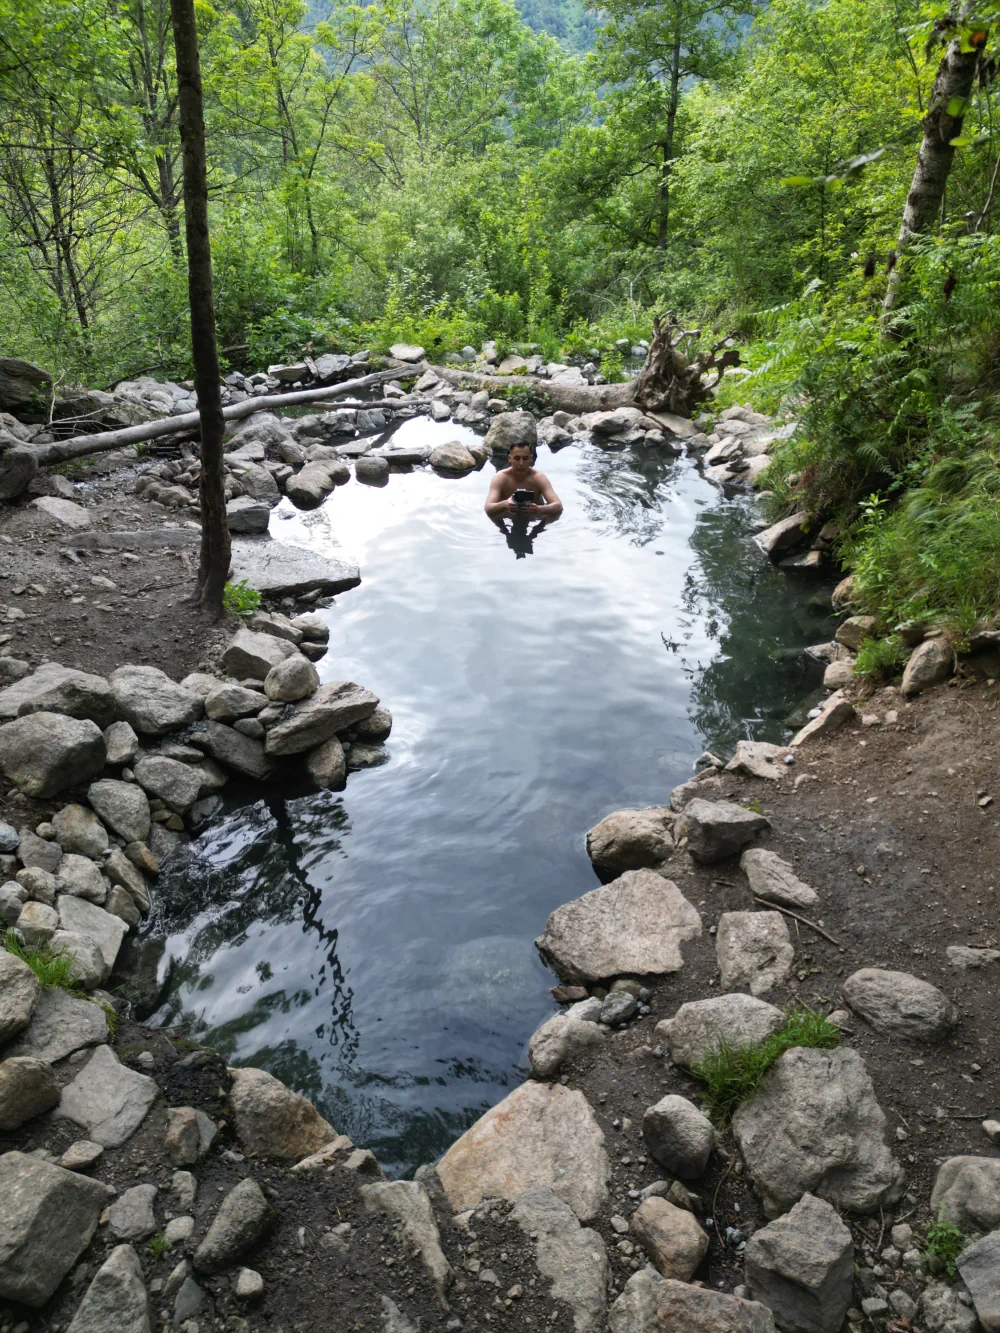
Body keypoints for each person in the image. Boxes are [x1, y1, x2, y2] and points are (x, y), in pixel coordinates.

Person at [484, 442, 563, 520]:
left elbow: (558, 506)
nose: (521, 463)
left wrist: (539, 509)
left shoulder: (538, 478)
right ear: (509, 459)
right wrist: (505, 504)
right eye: (517, 458)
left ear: (531, 459)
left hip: (534, 519)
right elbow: (488, 507)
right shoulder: (500, 477)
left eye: (525, 458)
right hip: (508, 518)